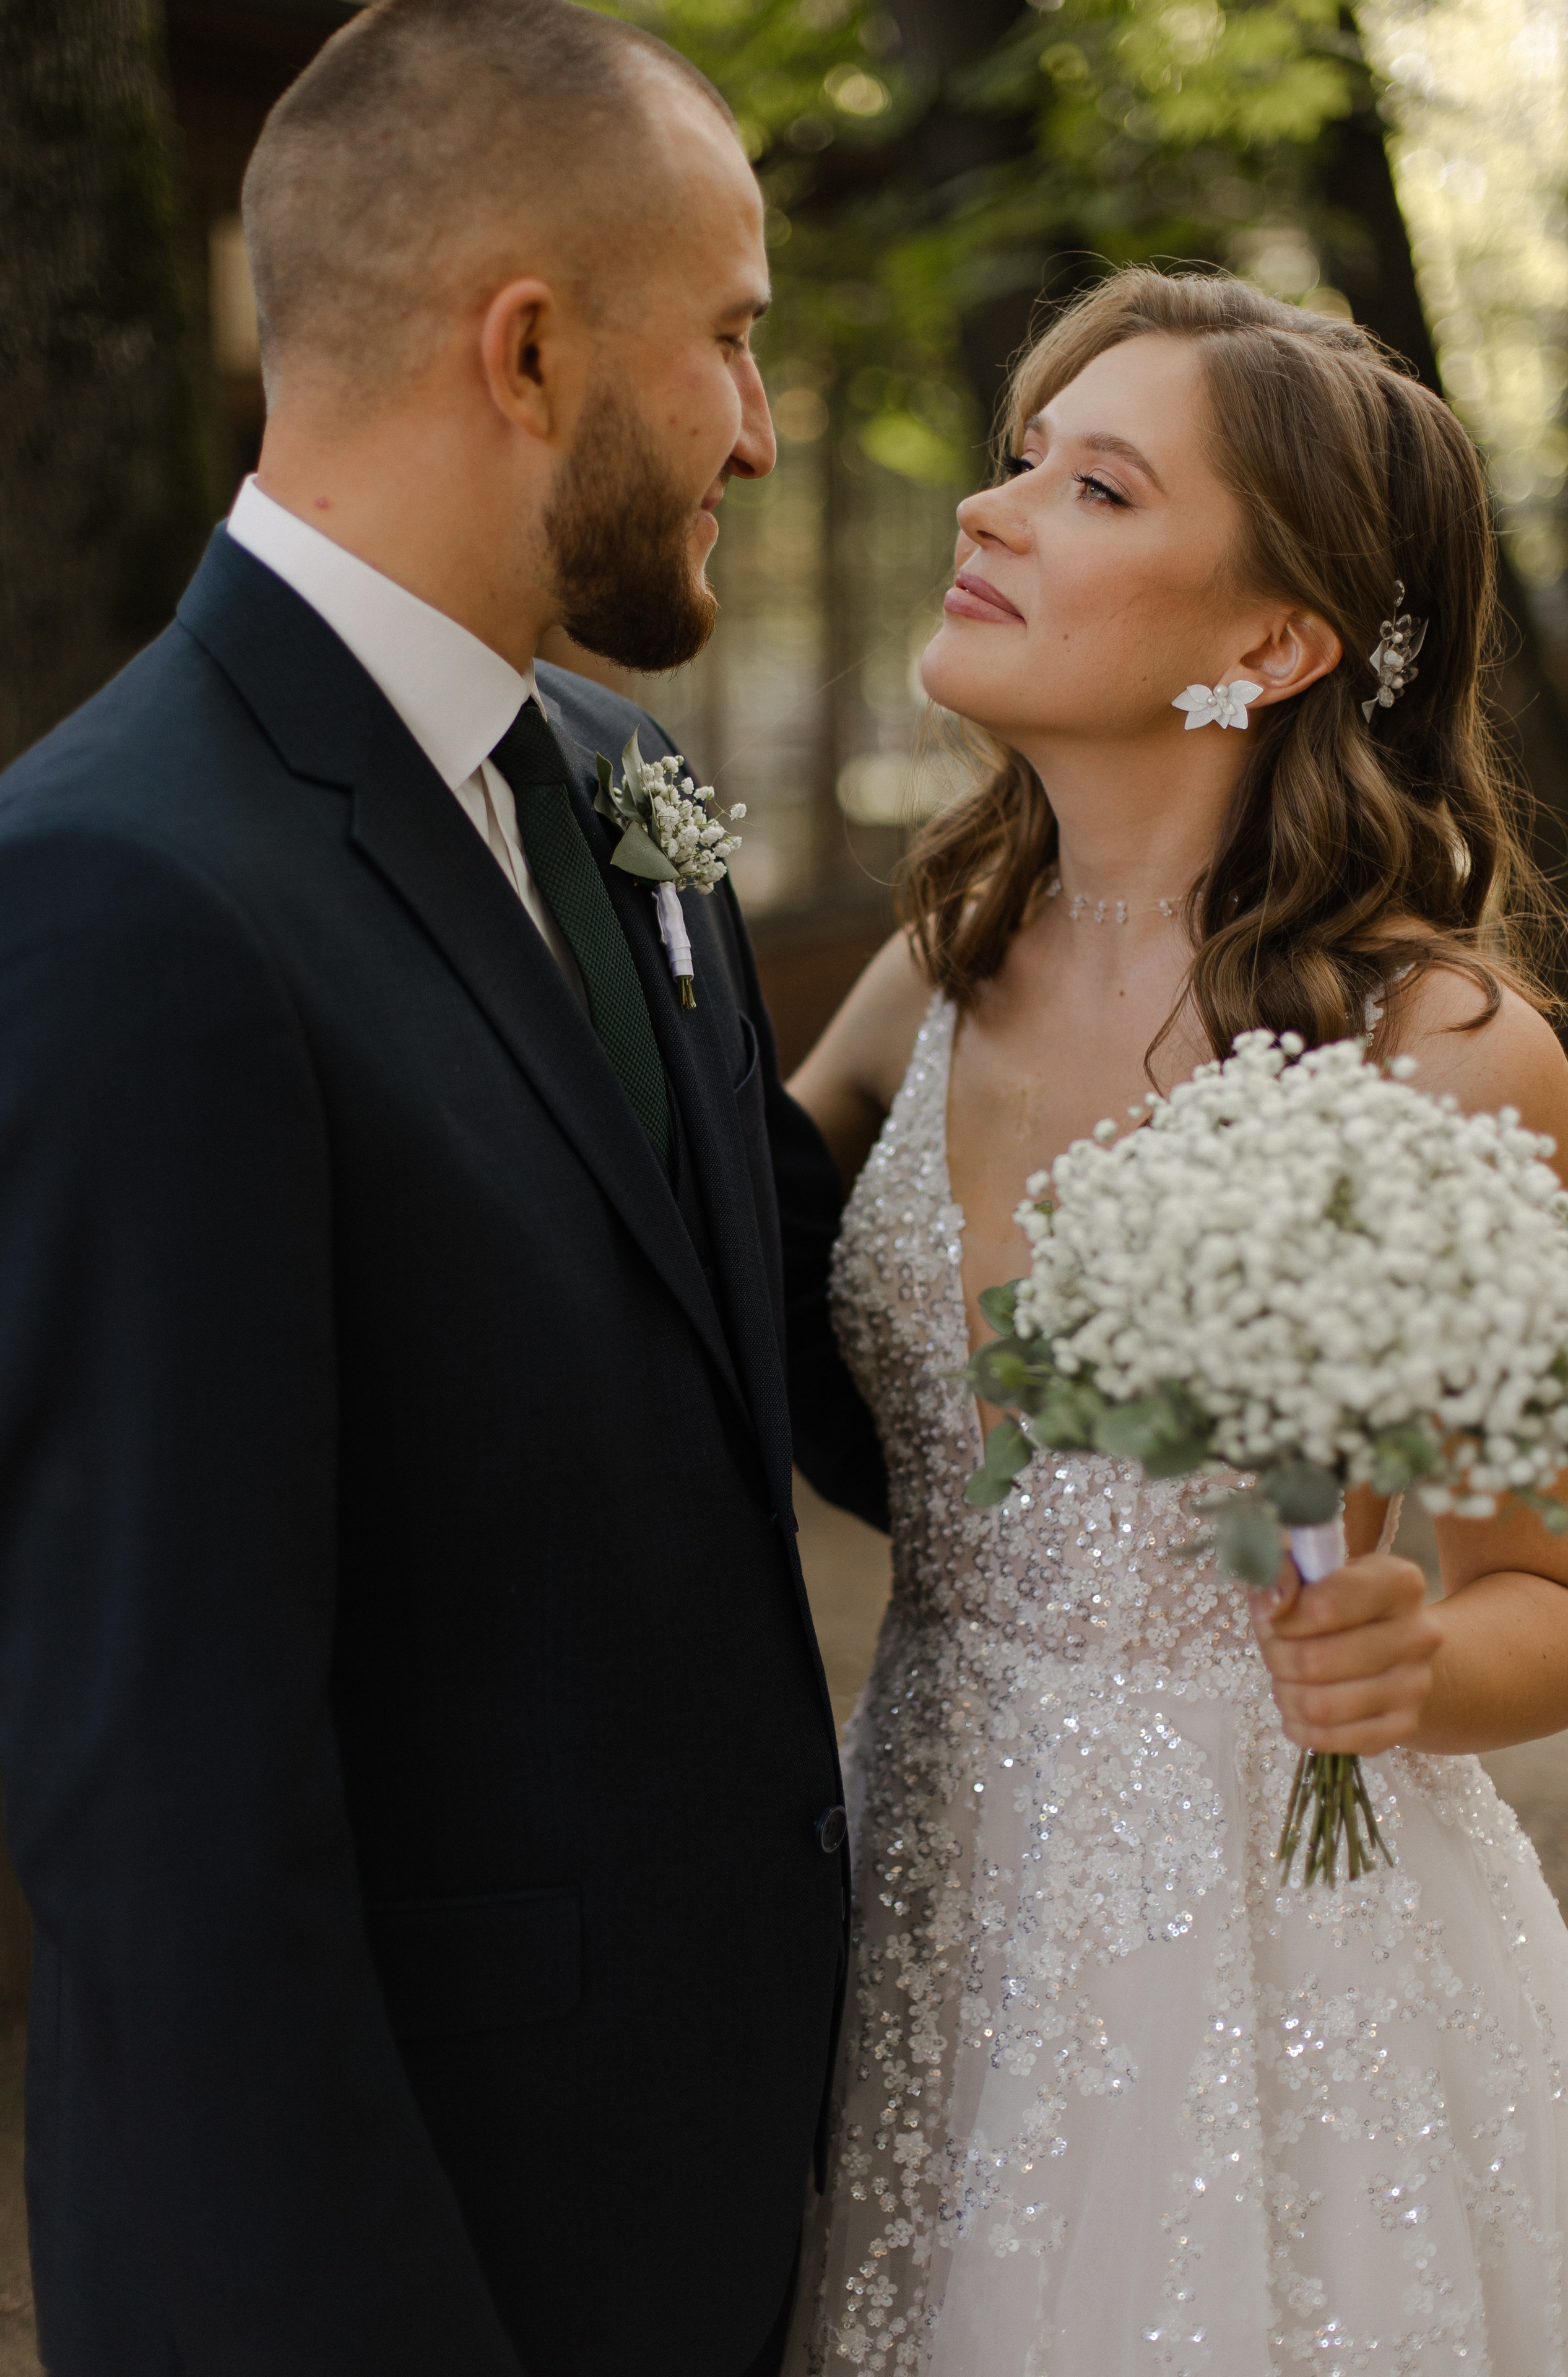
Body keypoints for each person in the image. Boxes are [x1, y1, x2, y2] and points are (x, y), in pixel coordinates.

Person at [0, 3, 883, 2371]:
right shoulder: (118, 898)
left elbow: (775, 1346)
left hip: (703, 2216)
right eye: (731, 340)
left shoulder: (610, 772)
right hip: (406, 2267)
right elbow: (173, 1837)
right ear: (527, 347)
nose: (763, 428)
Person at [785, 268, 1568, 2375]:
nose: (997, 505)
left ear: (1275, 644)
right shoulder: (939, 962)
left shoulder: (1449, 1050)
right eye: (1023, 454)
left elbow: (1552, 1587)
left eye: (1098, 483)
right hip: (925, 1885)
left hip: (1272, 1965)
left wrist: (1411, 1661)